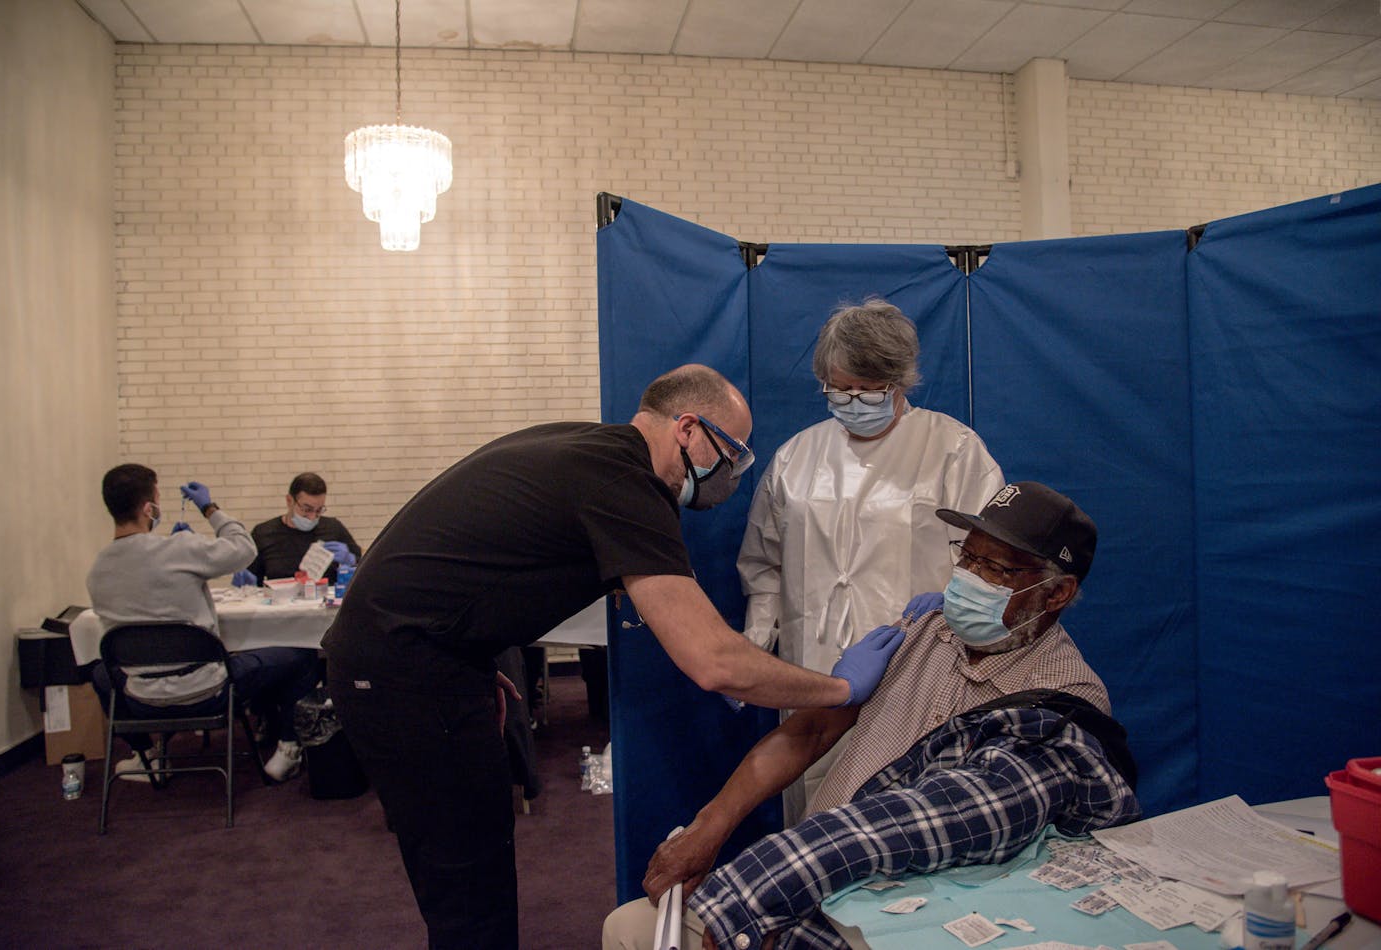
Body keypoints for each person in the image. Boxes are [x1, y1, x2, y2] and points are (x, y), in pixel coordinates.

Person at [321, 364, 909, 949]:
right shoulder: (625, 487)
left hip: (423, 655)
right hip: (401, 667)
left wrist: (468, 658)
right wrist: (840, 688)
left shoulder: (591, 451)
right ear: (686, 427)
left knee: (480, 858)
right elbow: (715, 663)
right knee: (467, 881)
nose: (731, 471)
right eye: (731, 451)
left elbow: (463, 566)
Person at [604, 480, 1122, 949]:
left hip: (907, 913)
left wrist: (765, 887)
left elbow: (935, 821)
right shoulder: (921, 630)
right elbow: (808, 733)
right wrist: (708, 828)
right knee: (628, 929)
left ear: (1056, 592)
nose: (969, 578)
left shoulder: (1061, 704)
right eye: (968, 557)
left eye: (997, 568)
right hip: (810, 877)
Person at [737, 297, 1004, 816]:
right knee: (814, 805)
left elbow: (993, 563)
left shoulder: (952, 450)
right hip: (811, 664)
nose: (853, 399)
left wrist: (960, 625)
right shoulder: (795, 458)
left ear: (900, 380)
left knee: (909, 808)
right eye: (840, 388)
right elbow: (763, 564)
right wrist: (753, 646)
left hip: (918, 665)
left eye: (869, 388)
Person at [86, 464, 320, 783]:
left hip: (140, 697)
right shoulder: (178, 549)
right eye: (157, 498)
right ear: (148, 508)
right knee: (303, 652)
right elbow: (243, 548)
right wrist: (209, 508)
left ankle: (147, 755)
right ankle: (289, 748)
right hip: (208, 690)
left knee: (100, 671)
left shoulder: (97, 570)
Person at [233, 471, 361, 587]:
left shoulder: (333, 528)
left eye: (319, 510)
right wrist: (246, 583)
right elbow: (252, 579)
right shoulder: (264, 533)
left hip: (324, 607)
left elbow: (363, 569)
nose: (312, 517)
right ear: (289, 501)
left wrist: (351, 561)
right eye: (306, 509)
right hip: (280, 607)